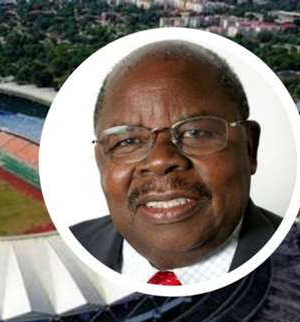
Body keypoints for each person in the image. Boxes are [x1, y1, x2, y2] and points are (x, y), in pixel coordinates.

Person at [70, 40, 281, 286]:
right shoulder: (75, 245)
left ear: (249, 148)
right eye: (128, 141)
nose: (160, 160)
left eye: (196, 133)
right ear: (101, 164)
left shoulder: (292, 256)